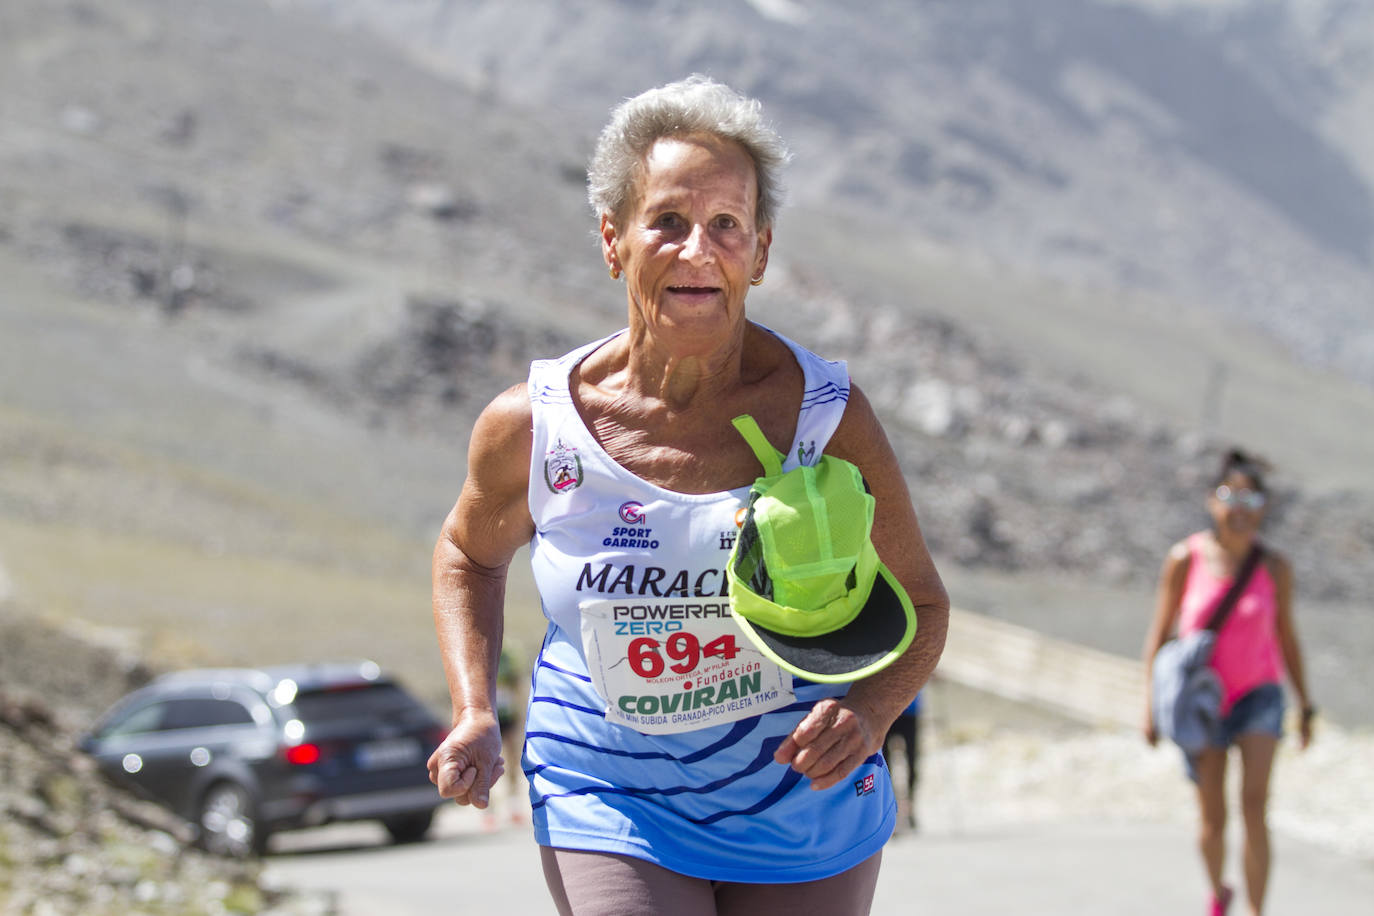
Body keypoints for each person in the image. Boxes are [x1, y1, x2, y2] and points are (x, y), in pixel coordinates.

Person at [427, 75, 949, 916]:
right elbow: (465, 554)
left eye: (726, 226)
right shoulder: (536, 427)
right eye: (667, 221)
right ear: (613, 238)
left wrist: (871, 713)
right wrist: (474, 708)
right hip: (606, 792)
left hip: (797, 799)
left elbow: (920, 599)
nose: (697, 250)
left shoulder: (824, 416)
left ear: (762, 252)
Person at [1141, 449, 1315, 916]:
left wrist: (1307, 705)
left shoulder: (1275, 568)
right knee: (1213, 819)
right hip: (1202, 701)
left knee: (1255, 806)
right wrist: (1150, 708)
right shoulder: (1185, 559)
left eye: (1250, 496)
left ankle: (1258, 910)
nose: (1239, 507)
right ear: (1212, 501)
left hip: (1259, 695)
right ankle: (1219, 892)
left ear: (1264, 506)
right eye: (1229, 495)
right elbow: (1159, 636)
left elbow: (1288, 638)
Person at [883, 691, 921, 833]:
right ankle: (891, 811)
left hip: (910, 710)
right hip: (887, 710)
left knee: (912, 762)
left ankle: (910, 809)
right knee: (885, 764)